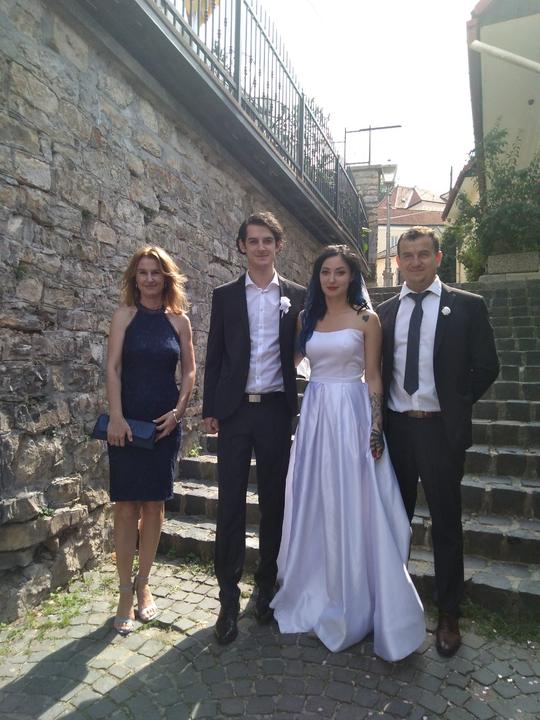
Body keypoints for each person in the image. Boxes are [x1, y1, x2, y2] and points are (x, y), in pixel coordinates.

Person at [271, 245, 425, 661]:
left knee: (354, 498)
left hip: (351, 413)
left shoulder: (366, 319)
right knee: (314, 495)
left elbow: (373, 376)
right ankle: (312, 582)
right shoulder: (306, 318)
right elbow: (291, 361)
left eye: (340, 272)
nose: (332, 279)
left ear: (352, 277)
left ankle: (356, 590)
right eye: (325, 272)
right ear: (317, 276)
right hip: (316, 413)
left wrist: (375, 427)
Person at [377, 226, 499, 658]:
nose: (415, 262)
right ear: (397, 262)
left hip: (440, 430)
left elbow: (487, 365)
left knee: (446, 522)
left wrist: (457, 404)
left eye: (423, 254)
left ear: (438, 257)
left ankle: (448, 613)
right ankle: (393, 603)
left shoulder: (467, 306)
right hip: (396, 430)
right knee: (394, 519)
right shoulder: (384, 312)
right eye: (407, 255)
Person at [202, 211, 305, 645]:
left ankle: (266, 585)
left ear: (278, 246)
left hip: (276, 410)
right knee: (230, 503)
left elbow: (309, 344)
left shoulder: (297, 296)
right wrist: (210, 407)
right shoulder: (225, 295)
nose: (261, 247)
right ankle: (227, 597)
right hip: (235, 411)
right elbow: (215, 354)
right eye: (253, 241)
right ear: (242, 246)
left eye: (268, 240)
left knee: (274, 502)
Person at [106, 246, 195, 635]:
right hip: (125, 424)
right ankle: (125, 591)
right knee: (126, 506)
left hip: (163, 427)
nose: (149, 279)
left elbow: (189, 372)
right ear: (135, 278)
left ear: (166, 277)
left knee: (154, 507)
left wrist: (178, 413)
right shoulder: (123, 316)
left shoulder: (179, 321)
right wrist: (116, 416)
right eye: (142, 272)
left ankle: (144, 584)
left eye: (156, 272)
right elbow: (112, 367)